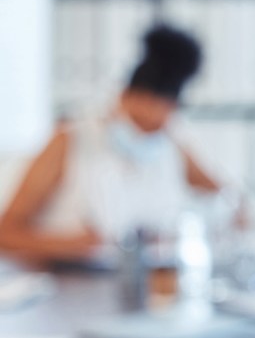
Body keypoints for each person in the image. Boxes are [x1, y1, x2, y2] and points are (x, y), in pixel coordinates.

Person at [0, 23, 238, 263]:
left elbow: (230, 199)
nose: (144, 133)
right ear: (122, 97)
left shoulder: (172, 144)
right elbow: (5, 234)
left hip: (144, 288)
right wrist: (70, 245)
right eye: (137, 120)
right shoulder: (70, 139)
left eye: (155, 127)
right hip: (70, 287)